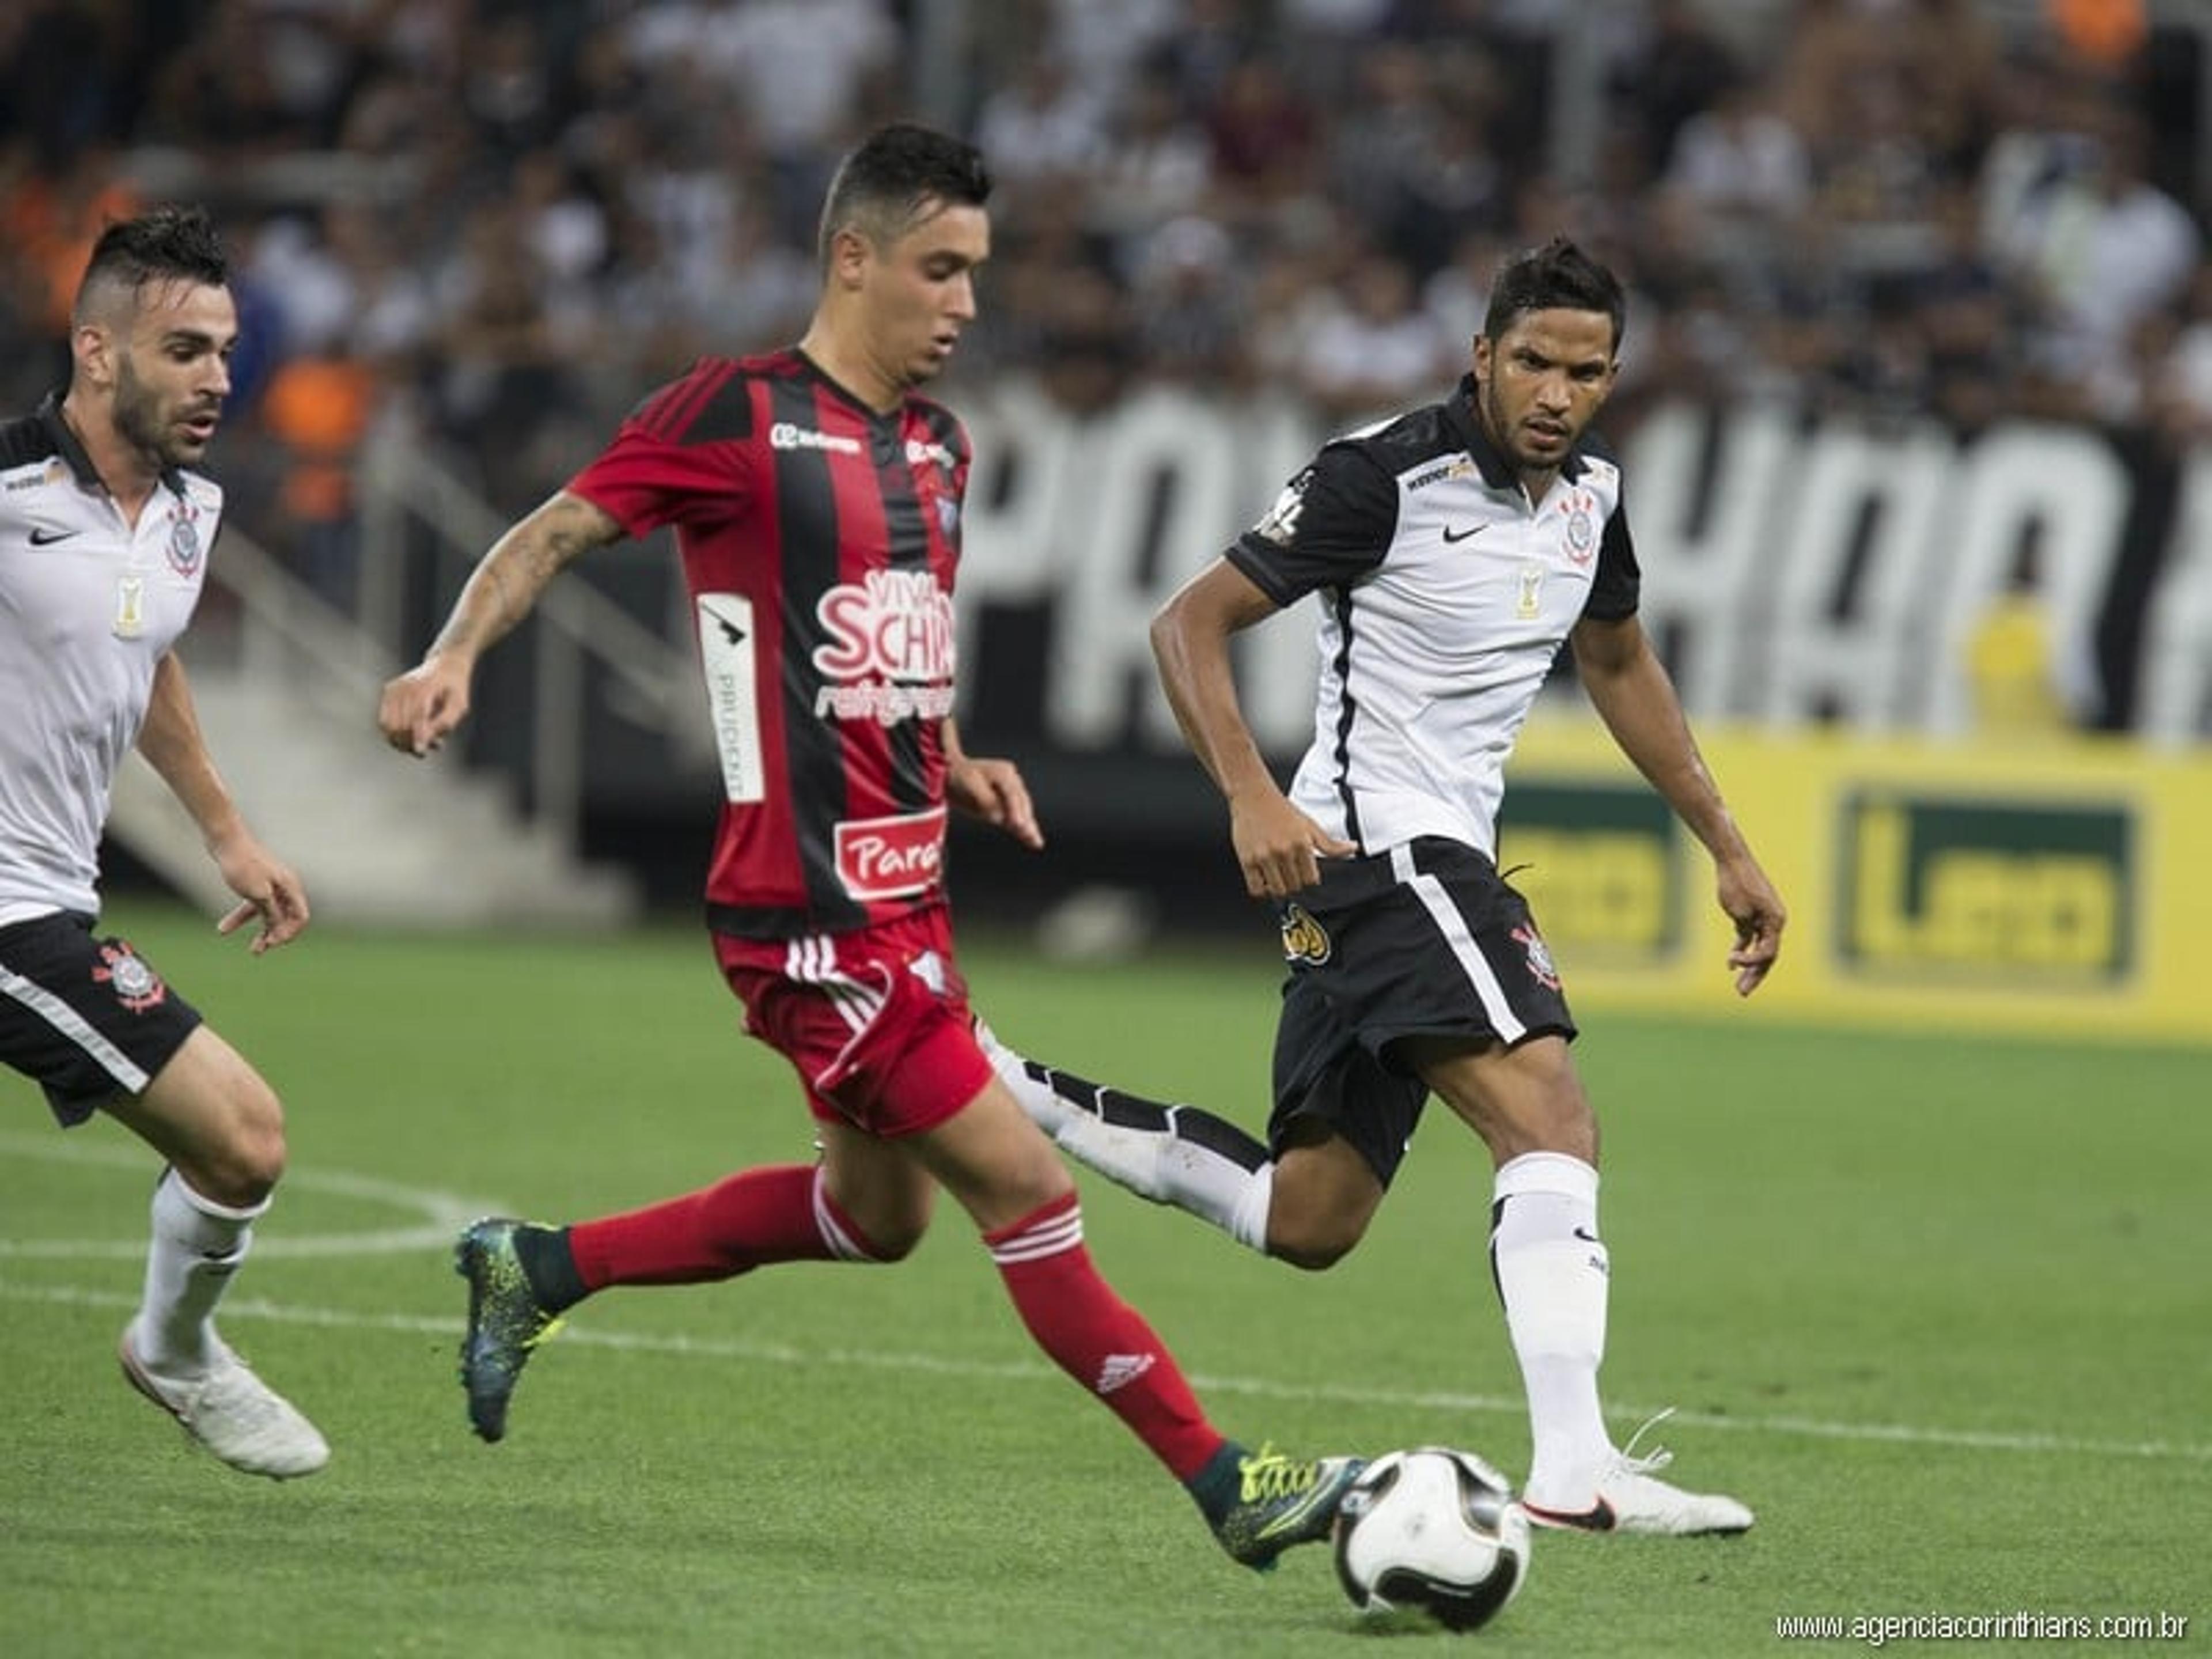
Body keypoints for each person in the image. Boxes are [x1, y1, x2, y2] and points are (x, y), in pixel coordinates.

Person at [376, 123, 1360, 1574]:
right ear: (853, 259)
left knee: (872, 1217)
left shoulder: (940, 449)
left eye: (977, 273)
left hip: (912, 903)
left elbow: (898, 640)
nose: (966, 303)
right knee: (1027, 1189)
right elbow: (551, 534)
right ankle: (1230, 1485)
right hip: (806, 913)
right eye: (939, 268)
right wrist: (451, 653)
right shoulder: (732, 414)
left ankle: (535, 1267)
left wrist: (950, 753)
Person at [984, 237, 1787, 1535]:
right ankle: (1576, 1466)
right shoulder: (1381, 477)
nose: (1555, 394)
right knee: (1552, 1121)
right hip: (1387, 853)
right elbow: (1186, 623)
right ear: (1482, 356)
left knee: (1309, 1215)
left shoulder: (1591, 498)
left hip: (1390, 868)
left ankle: (1003, 1090)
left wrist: (1729, 845)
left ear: (1614, 380)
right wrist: (1250, 791)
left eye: (1585, 373)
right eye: (1531, 361)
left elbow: (1623, 664)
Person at [0, 206, 327, 1479]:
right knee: (244, 1139)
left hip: (48, 905)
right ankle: (179, 1354)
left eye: (226, 350)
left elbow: (147, 660)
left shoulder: (191, 512)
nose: (217, 378)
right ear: (96, 352)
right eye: (184, 349)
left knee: (241, 1147)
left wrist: (227, 835)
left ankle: (173, 1349)